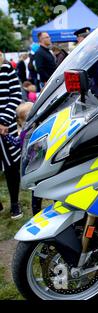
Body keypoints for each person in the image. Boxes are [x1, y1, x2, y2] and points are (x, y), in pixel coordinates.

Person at [0, 51, 23, 220]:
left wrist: (4, 121)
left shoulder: (6, 68)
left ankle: (15, 203)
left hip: (5, 127)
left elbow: (16, 96)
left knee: (11, 167)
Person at [16, 102, 43, 215]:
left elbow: (17, 143)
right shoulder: (25, 134)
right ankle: (36, 214)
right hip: (35, 167)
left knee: (40, 192)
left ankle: (37, 213)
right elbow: (19, 143)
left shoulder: (39, 129)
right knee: (37, 193)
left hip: (40, 166)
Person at [74, 27, 98, 105]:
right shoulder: (82, 52)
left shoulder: (92, 49)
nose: (78, 41)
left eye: (79, 39)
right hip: (94, 84)